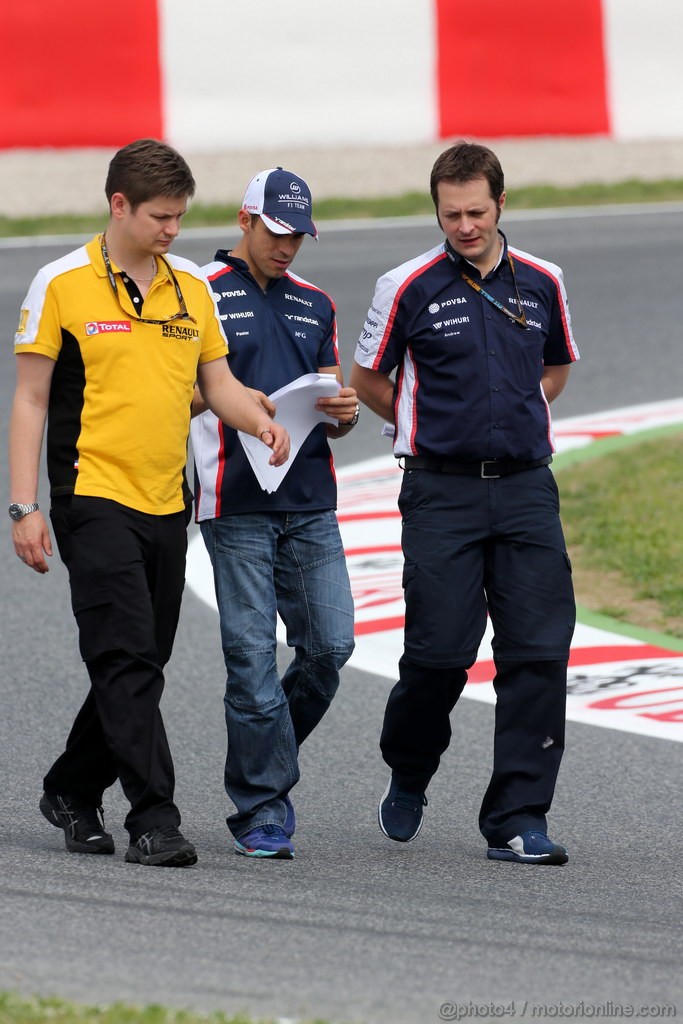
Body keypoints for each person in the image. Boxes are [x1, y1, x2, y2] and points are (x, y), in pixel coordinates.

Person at [9, 139, 289, 868]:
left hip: (169, 500)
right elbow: (31, 398)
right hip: (90, 496)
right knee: (127, 657)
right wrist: (22, 506)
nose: (172, 230)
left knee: (137, 662)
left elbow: (218, 382)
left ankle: (70, 788)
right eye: (161, 217)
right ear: (119, 205)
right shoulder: (61, 283)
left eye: (180, 217)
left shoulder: (190, 286)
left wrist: (256, 419)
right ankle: (154, 817)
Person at [350, 142, 579, 865]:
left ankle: (516, 818)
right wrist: (426, 427)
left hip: (524, 489)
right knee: (438, 656)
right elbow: (367, 378)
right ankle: (409, 769)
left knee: (537, 656)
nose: (464, 226)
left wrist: (511, 414)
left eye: (476, 212)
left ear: (500, 204)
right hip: (438, 491)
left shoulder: (543, 281)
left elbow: (555, 369)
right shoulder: (405, 284)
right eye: (450, 215)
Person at [190, 167, 358, 859]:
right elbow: (177, 393)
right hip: (234, 503)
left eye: (299, 236)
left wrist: (342, 414)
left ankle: (261, 766)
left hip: (311, 499)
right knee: (251, 661)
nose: (288, 246)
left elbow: (330, 405)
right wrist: (231, 404)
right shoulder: (195, 290)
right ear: (244, 221)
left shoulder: (316, 302)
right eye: (277, 232)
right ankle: (261, 806)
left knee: (329, 646)